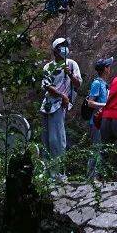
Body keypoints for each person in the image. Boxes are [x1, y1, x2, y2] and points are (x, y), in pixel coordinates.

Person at [40, 36, 82, 166]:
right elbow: (46, 85)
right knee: (46, 138)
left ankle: (58, 172)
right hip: (48, 104)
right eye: (61, 47)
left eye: (66, 46)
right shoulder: (48, 66)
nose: (64, 49)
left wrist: (69, 74)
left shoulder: (71, 64)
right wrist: (62, 95)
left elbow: (78, 84)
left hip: (59, 106)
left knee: (57, 138)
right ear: (55, 50)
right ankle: (47, 170)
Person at [85, 56, 114, 178]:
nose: (110, 68)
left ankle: (97, 176)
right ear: (105, 69)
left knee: (101, 149)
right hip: (95, 121)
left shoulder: (104, 84)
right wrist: (106, 105)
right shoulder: (97, 83)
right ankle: (91, 177)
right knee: (96, 149)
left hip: (102, 120)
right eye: (108, 66)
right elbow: (90, 103)